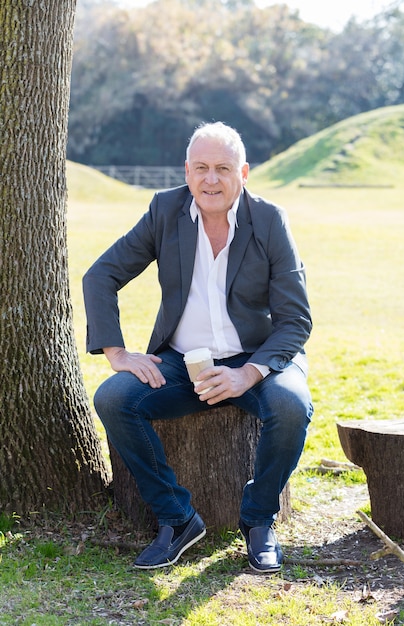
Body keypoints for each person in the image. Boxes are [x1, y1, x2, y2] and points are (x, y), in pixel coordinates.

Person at [83, 121, 313, 573]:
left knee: (291, 406)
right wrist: (117, 353)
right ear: (187, 172)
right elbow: (100, 275)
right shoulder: (165, 211)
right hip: (181, 362)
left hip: (256, 360)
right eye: (202, 168)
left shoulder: (269, 220)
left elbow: (296, 320)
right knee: (114, 399)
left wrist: (248, 374)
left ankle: (259, 519)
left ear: (243, 173)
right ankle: (177, 518)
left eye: (223, 169)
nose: (211, 180)